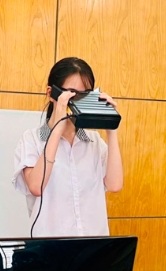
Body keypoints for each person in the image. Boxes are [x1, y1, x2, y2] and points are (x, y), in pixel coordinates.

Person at [13, 57, 124, 237]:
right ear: (51, 93)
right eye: (72, 93)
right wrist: (58, 127)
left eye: (85, 95)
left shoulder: (94, 142)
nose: (77, 101)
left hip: (92, 245)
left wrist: (111, 128)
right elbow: (36, 186)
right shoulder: (32, 139)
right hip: (50, 247)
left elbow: (114, 184)